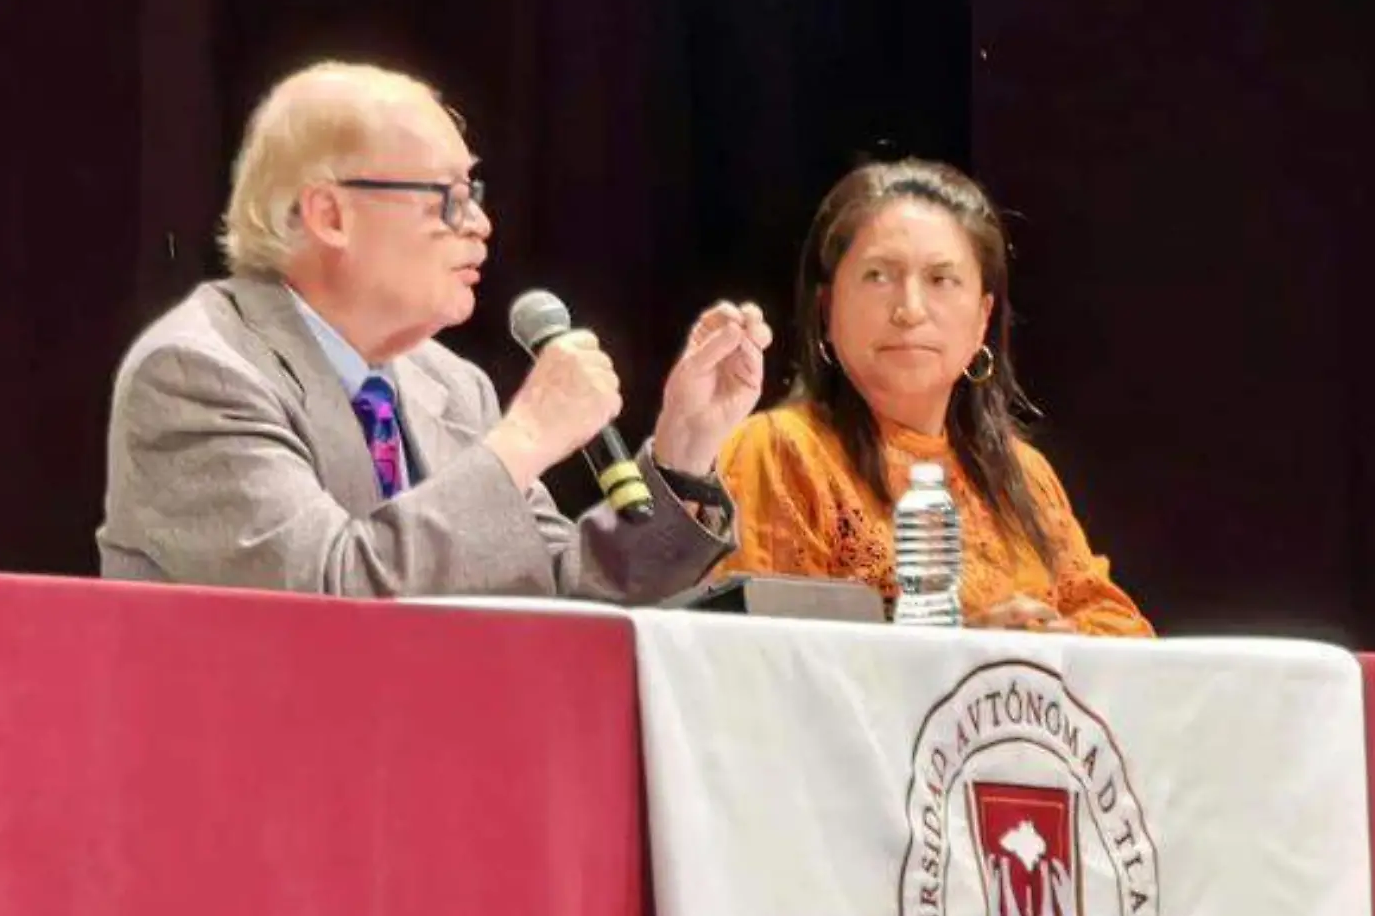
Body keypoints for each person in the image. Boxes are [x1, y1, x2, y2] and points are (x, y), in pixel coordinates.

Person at [97, 61, 771, 600]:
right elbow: (325, 600)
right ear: (331, 214)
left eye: (473, 193)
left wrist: (684, 449)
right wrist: (526, 439)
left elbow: (566, 591)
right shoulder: (199, 371)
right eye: (445, 197)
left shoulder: (449, 384)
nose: (480, 224)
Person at [713, 159, 1152, 636]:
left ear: (983, 316)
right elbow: (776, 660)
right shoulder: (779, 450)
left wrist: (1054, 646)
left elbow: (1120, 629)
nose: (910, 311)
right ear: (826, 306)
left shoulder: (1023, 475)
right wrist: (967, 654)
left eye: (942, 280)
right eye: (879, 276)